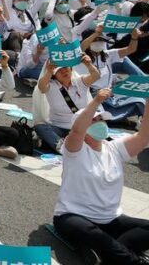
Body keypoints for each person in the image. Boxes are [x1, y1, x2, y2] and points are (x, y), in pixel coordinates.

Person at [53, 88, 149, 264]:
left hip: (111, 219)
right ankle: (133, 261)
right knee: (95, 235)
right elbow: (76, 132)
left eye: (101, 119)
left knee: (118, 239)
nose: (99, 122)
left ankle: (111, 253)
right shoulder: (74, 148)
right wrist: (96, 101)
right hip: (73, 216)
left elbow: (143, 137)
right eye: (93, 120)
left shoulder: (114, 148)